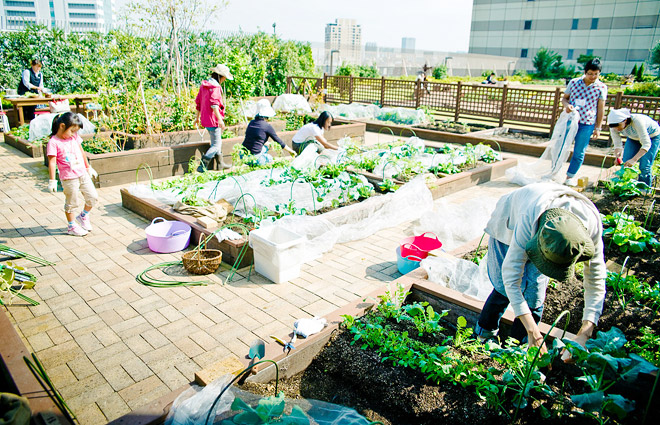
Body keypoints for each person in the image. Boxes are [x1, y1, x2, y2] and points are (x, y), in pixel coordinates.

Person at [474, 182, 607, 355]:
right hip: (511, 220)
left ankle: (518, 345)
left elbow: (596, 281)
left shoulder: (591, 227)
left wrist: (584, 334)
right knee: (503, 289)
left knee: (535, 295)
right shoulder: (529, 217)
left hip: (546, 225)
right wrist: (533, 331)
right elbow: (510, 278)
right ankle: (485, 333)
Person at [47, 112, 99, 236]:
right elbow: (52, 162)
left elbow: (82, 152)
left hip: (82, 174)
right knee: (72, 202)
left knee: (93, 197)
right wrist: (52, 180)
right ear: (62, 126)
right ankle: (71, 226)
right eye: (71, 131)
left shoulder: (74, 137)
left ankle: (83, 216)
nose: (73, 134)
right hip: (69, 178)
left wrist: (88, 167)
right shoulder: (53, 142)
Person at [562, 58, 607, 187]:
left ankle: (570, 176)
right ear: (585, 72)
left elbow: (600, 108)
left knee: (579, 151)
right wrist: (567, 106)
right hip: (571, 120)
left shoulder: (601, 87)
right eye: (590, 73)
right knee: (561, 146)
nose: (593, 76)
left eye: (596, 74)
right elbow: (565, 99)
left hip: (587, 123)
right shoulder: (574, 82)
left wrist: (598, 127)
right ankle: (554, 170)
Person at [608, 108, 660, 187]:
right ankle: (626, 188)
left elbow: (646, 144)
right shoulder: (614, 126)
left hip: (652, 137)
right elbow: (617, 143)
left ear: (625, 120)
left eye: (617, 126)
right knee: (625, 163)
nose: (616, 128)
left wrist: (634, 160)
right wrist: (618, 157)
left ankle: (644, 190)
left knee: (644, 166)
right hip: (633, 138)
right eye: (613, 126)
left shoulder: (637, 121)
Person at [195, 64, 233, 172]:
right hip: (214, 120)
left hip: (205, 119)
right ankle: (202, 165)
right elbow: (214, 105)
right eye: (224, 77)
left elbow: (198, 102)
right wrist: (220, 120)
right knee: (216, 145)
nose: (225, 79)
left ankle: (220, 164)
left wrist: (197, 118)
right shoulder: (215, 87)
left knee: (215, 142)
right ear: (220, 76)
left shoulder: (204, 86)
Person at [241, 99, 296, 165]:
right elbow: (278, 141)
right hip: (254, 159)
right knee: (269, 158)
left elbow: (254, 138)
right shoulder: (266, 126)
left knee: (265, 147)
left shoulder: (251, 123)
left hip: (243, 156)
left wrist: (269, 144)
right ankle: (257, 164)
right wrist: (291, 151)